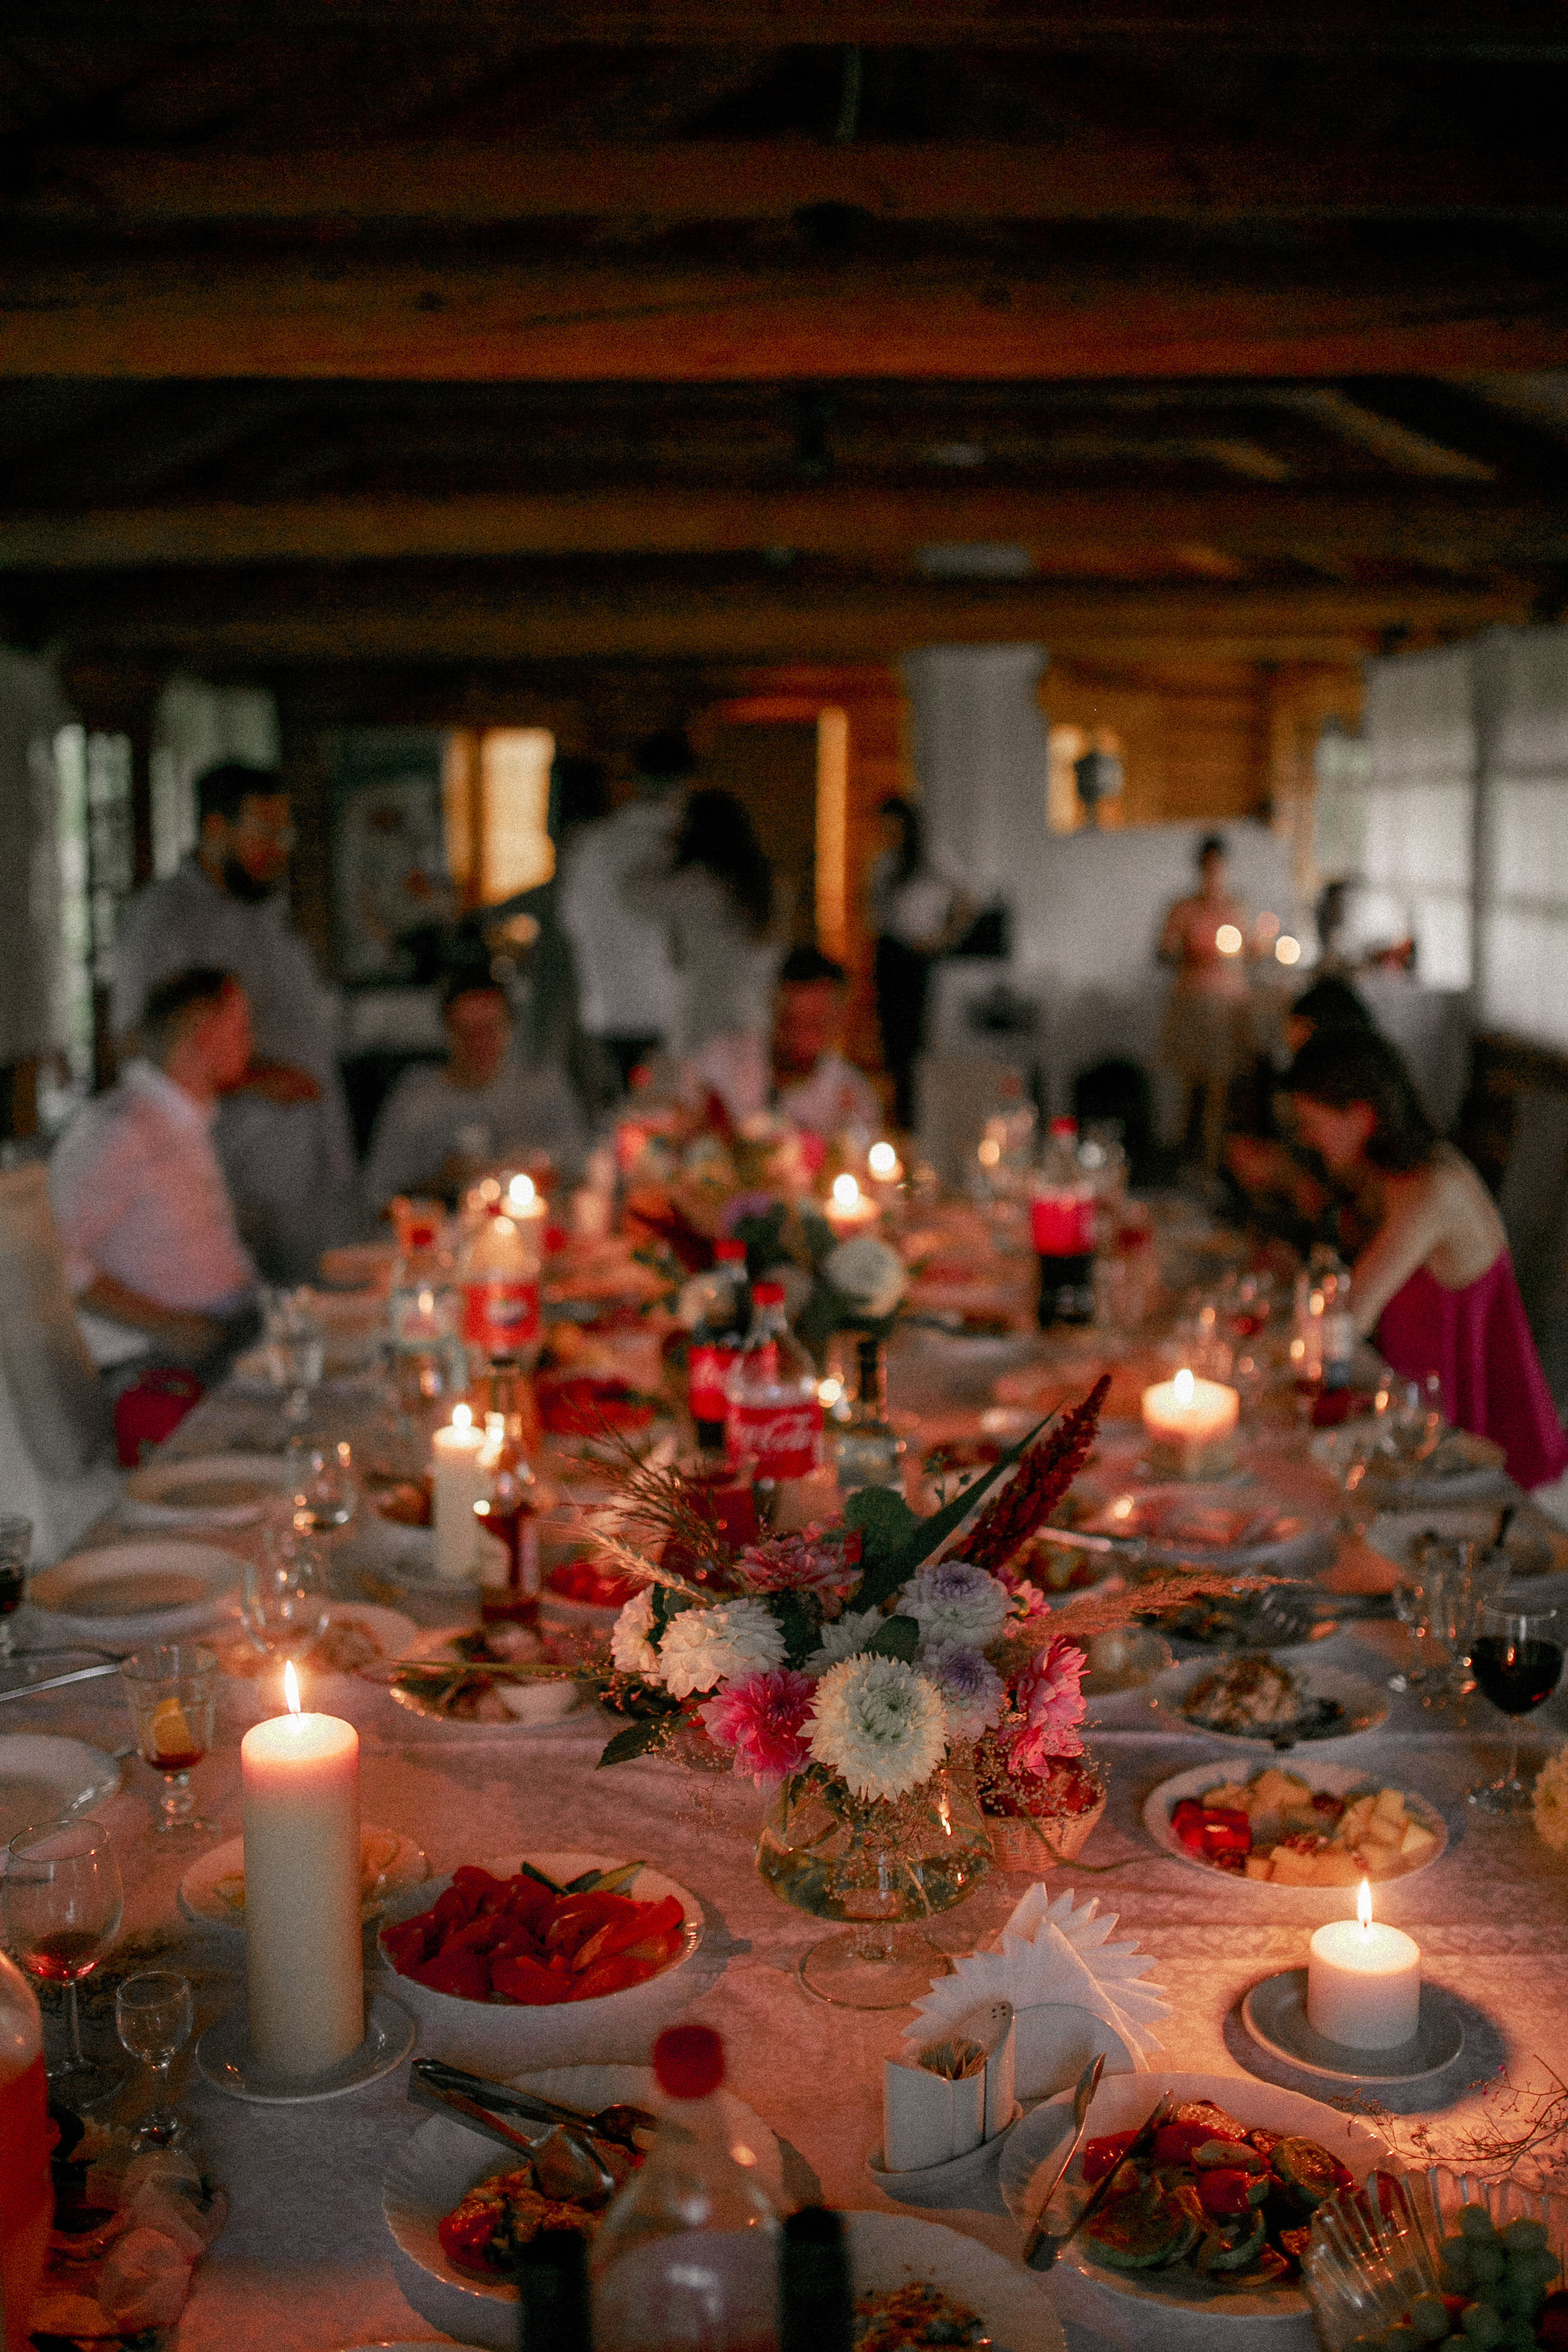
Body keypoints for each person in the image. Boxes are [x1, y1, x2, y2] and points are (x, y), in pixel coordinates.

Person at [1285, 1028, 1568, 1490]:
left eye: (1312, 1124)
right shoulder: (1393, 1176)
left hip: (1471, 1453)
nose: (1306, 1139)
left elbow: (1345, 1323)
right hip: (1419, 1429)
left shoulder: (1433, 1191)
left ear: (1361, 1118)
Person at [111, 760, 355, 1280]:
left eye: (284, 832)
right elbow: (138, 1042)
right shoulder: (165, 920)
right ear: (216, 829)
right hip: (239, 1172)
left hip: (310, 1166)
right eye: (264, 831)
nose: (278, 848)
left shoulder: (266, 912)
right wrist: (259, 1077)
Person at [50, 968, 259, 1370]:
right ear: (205, 1036)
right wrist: (167, 1326)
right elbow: (52, 1253)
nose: (249, 1044)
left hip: (230, 1331)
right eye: (240, 1029)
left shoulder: (181, 1120)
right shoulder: (121, 1127)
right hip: (160, 1363)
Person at [364, 968, 588, 1208]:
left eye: (490, 1028)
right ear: (447, 1031)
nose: (479, 1042)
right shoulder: (416, 1101)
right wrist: (443, 1183)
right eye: (466, 1031)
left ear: (510, 1028)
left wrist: (533, 1170)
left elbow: (584, 1172)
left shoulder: (542, 1087)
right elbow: (377, 1196)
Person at [557, 728, 691, 1090]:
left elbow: (570, 924)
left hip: (604, 1013)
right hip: (677, 1017)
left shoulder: (592, 846)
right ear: (684, 782)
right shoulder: (687, 844)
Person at [623, 786, 782, 1054]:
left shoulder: (702, 886)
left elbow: (633, 892)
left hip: (707, 1013)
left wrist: (668, 846)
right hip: (756, 1010)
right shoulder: (764, 886)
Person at [685, 945, 880, 1140]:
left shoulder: (851, 1092)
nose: (800, 1038)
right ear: (774, 1008)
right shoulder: (725, 1058)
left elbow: (867, 1148)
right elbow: (681, 1107)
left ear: (839, 1021)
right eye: (790, 1023)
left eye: (815, 1025)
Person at [869, 796, 973, 1131]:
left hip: (918, 957)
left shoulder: (932, 857)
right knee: (892, 1040)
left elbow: (966, 900)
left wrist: (943, 940)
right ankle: (899, 1114)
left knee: (916, 1039)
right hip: (891, 954)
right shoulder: (885, 864)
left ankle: (917, 1116)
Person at [1157, 831, 1257, 1174]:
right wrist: (1191, 952)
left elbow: (1250, 951)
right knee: (1197, 1088)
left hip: (1231, 1007)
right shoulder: (1184, 908)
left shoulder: (1238, 907)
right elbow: (1163, 952)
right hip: (1197, 1004)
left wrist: (1258, 950)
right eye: (1208, 867)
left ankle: (1222, 1163)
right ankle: (1192, 1161)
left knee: (1228, 1087)